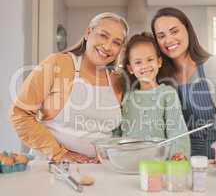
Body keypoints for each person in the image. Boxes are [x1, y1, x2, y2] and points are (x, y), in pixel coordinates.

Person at [10, 13, 129, 163]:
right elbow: (20, 114)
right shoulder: (57, 63)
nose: (107, 46)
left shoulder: (117, 81)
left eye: (116, 42)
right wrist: (59, 154)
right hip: (52, 167)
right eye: (103, 36)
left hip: (99, 170)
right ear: (88, 33)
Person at [151, 7, 216, 159]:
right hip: (180, 163)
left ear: (188, 30)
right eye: (161, 36)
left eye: (174, 31)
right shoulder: (161, 79)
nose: (168, 40)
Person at [120, 32, 190, 159]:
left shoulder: (167, 94)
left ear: (159, 62)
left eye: (150, 59)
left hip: (158, 163)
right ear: (130, 68)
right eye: (138, 62)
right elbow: (117, 132)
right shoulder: (126, 97)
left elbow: (177, 129)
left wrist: (179, 153)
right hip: (128, 160)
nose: (145, 66)